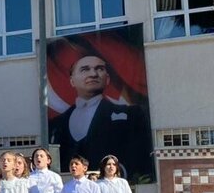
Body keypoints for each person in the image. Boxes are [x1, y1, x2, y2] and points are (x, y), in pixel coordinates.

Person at [49, 54, 154, 182]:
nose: (93, 74)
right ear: (72, 80)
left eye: (99, 69)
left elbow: (140, 157)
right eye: (85, 69)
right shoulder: (56, 125)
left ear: (107, 79)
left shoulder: (131, 115)